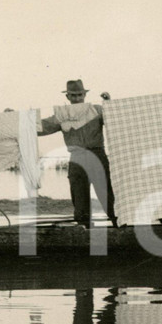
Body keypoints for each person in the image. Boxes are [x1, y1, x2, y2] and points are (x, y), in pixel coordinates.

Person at [39, 79, 118, 227]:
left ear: (84, 95)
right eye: (73, 96)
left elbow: (116, 120)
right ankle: (84, 228)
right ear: (67, 97)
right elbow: (41, 127)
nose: (77, 99)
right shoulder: (62, 115)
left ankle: (119, 225)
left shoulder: (97, 110)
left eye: (79, 95)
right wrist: (15, 120)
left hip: (97, 155)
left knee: (106, 192)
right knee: (79, 194)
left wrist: (109, 103)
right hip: (77, 157)